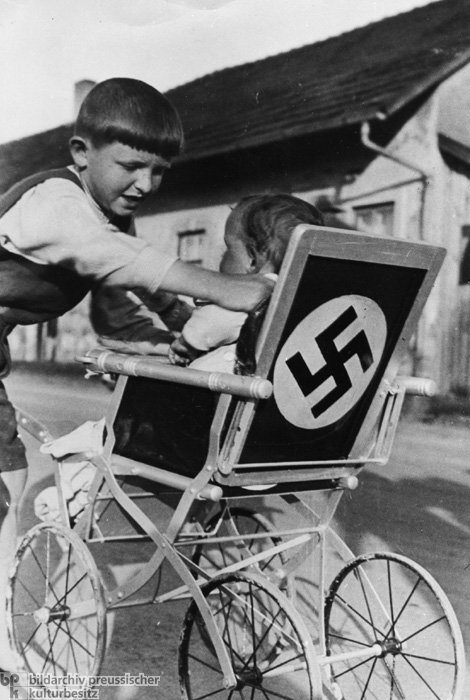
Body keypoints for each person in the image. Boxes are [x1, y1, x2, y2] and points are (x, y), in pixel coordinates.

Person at [0, 77, 272, 671]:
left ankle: (0, 636)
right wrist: (230, 289)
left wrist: (185, 341)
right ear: (81, 153)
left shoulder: (108, 221)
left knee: (9, 480)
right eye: (131, 165)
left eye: (160, 172)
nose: (145, 185)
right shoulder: (55, 204)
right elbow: (128, 264)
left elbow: (133, 303)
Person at [169, 193, 324, 373]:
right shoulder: (302, 295)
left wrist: (185, 343)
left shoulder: (247, 295)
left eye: (229, 248)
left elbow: (214, 321)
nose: (223, 255)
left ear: (252, 260)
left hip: (219, 387)